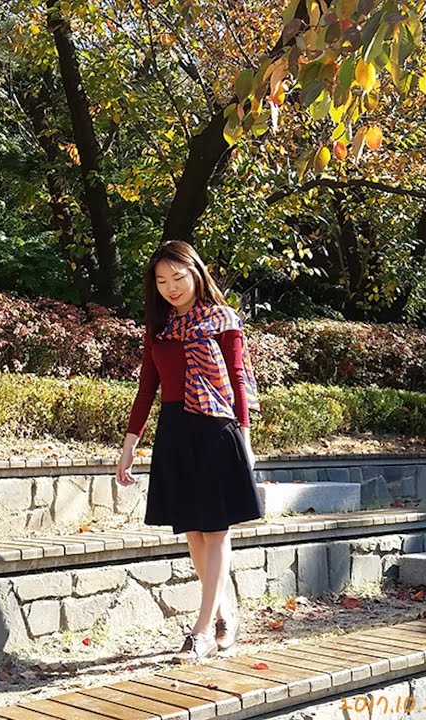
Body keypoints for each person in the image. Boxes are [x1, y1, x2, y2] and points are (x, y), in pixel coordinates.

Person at [115, 240, 264, 663]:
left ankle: (201, 632)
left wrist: (246, 440)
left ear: (196, 274)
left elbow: (238, 379)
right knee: (194, 533)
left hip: (216, 429)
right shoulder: (159, 329)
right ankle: (225, 612)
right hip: (176, 431)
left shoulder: (222, 319)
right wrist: (129, 446)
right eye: (162, 280)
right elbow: (147, 388)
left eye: (178, 277)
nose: (171, 287)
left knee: (215, 530)